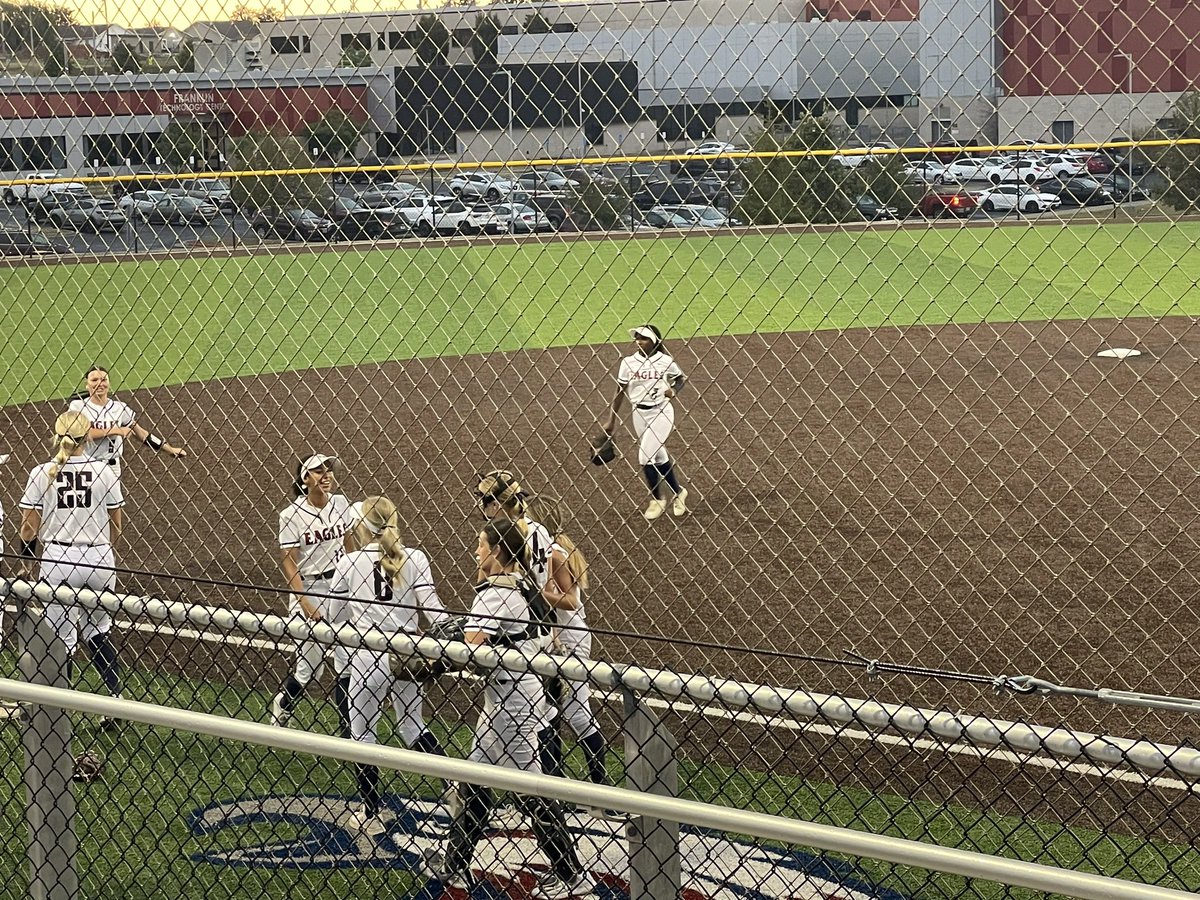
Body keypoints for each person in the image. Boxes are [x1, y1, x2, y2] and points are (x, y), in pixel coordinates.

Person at [421, 519, 594, 898]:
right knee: (476, 780)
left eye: (481, 545)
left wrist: (433, 657)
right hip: (512, 696)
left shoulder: (492, 594)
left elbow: (468, 649)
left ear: (497, 551)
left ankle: (572, 874)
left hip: (513, 703)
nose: (476, 551)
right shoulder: (525, 583)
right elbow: (544, 632)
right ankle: (455, 866)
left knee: (531, 791)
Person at [329, 495, 453, 832]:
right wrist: (448, 643)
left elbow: (333, 615)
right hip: (407, 653)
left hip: (368, 656)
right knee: (411, 725)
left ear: (360, 526)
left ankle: (370, 811)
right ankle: (452, 786)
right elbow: (434, 609)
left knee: (362, 734)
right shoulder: (414, 557)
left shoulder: (349, 563)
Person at [17, 411, 125, 726]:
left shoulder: (42, 472)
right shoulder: (104, 471)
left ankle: (57, 711)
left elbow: (28, 528)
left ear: (56, 434)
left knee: (60, 637)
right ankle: (115, 702)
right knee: (98, 629)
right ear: (86, 435)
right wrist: (102, 550)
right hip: (99, 559)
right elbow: (116, 524)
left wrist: (28, 562)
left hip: (58, 560)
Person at [527, 495, 614, 814]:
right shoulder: (546, 552)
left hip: (571, 642)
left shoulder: (553, 554)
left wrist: (533, 591)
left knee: (576, 712)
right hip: (555, 641)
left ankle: (601, 793)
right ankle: (557, 787)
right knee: (546, 711)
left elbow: (569, 602)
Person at [271, 453, 356, 736]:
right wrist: (304, 600)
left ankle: (347, 731)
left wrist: (359, 578)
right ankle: (282, 705)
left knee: (346, 660)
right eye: (318, 471)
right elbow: (289, 560)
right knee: (311, 669)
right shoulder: (290, 515)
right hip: (310, 587)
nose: (326, 475)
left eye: (328, 469)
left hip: (341, 588)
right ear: (305, 479)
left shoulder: (341, 504)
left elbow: (349, 542)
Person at [602, 324, 689, 520]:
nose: (638, 341)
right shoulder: (628, 363)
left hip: (661, 412)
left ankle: (657, 499)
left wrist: (673, 390)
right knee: (657, 456)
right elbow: (619, 392)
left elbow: (681, 378)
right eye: (637, 338)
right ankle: (679, 492)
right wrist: (611, 421)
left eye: (644, 338)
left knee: (645, 456)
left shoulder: (664, 360)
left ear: (654, 342)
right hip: (639, 414)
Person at [67, 365, 187, 475]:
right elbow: (82, 434)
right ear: (86, 384)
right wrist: (116, 430)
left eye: (104, 380)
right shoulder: (77, 406)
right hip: (86, 465)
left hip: (112, 467)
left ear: (109, 383)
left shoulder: (120, 408)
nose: (100, 383)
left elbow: (142, 434)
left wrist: (169, 449)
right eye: (94, 380)